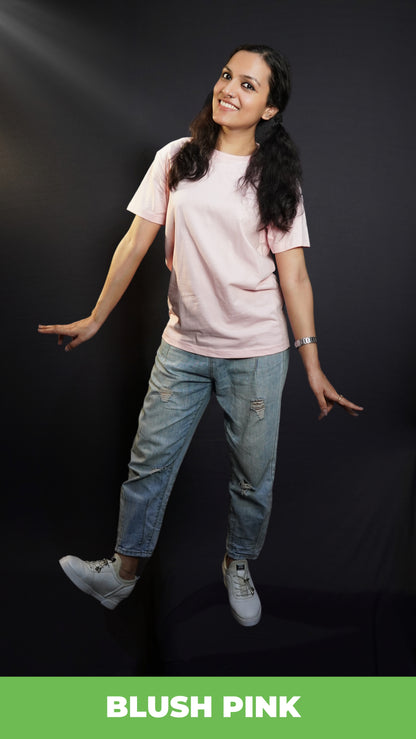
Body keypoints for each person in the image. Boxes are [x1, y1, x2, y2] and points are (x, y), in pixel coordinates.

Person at [38, 44, 363, 627]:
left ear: (270, 109)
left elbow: (294, 276)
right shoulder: (177, 158)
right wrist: (95, 317)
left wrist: (311, 365)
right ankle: (122, 576)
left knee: (252, 475)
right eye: (225, 76)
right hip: (182, 347)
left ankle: (238, 564)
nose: (229, 89)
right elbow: (135, 242)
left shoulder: (275, 177)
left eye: (248, 85)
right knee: (148, 464)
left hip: (257, 354)